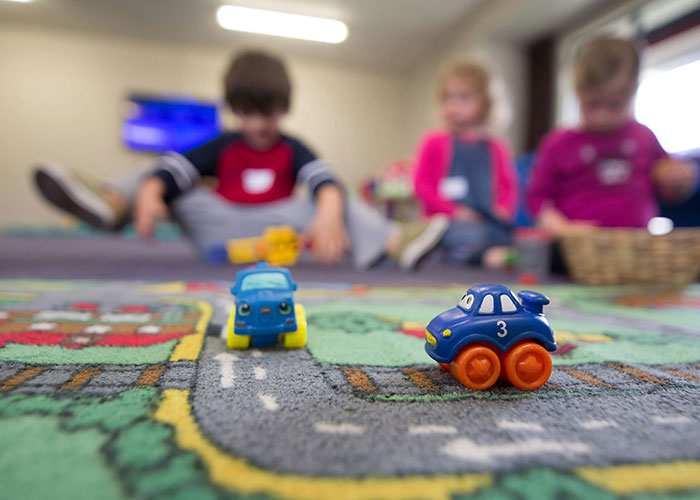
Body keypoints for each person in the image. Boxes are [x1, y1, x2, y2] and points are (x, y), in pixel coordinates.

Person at [33, 50, 448, 270]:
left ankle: (397, 243)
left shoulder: (292, 146)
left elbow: (323, 180)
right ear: (234, 109)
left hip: (278, 229)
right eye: (247, 112)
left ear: (283, 108)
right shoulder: (224, 143)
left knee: (335, 194)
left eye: (267, 113)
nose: (258, 123)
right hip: (218, 226)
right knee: (156, 171)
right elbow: (172, 170)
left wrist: (329, 210)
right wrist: (152, 191)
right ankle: (111, 204)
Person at [527, 36, 698, 235]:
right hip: (575, 250)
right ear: (577, 94)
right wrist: (563, 229)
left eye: (614, 105)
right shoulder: (558, 143)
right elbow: (537, 199)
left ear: (632, 94)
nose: (602, 116)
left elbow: (668, 189)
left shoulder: (643, 136)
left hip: (636, 247)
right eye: (592, 104)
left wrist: (680, 180)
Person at [413, 61, 518, 269]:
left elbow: (508, 186)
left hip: (483, 220)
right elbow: (422, 186)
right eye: (448, 97)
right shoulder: (434, 142)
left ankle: (474, 254)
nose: (453, 105)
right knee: (455, 233)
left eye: (463, 97)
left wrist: (502, 209)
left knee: (506, 234)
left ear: (485, 103)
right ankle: (476, 255)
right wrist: (455, 212)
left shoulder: (496, 147)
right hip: (445, 222)